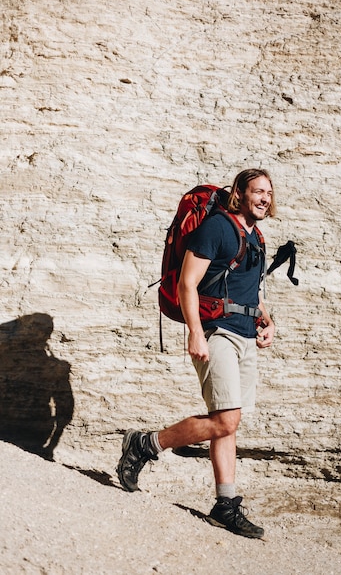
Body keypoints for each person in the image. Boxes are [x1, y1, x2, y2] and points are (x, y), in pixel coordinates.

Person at [117, 168, 276, 539]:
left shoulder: (257, 237)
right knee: (226, 420)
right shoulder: (217, 228)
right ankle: (146, 443)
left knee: (227, 420)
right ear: (240, 193)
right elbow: (188, 283)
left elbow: (253, 289)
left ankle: (225, 503)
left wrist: (267, 321)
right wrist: (195, 333)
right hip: (215, 331)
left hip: (245, 335)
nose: (265, 198)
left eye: (268, 192)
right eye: (257, 191)